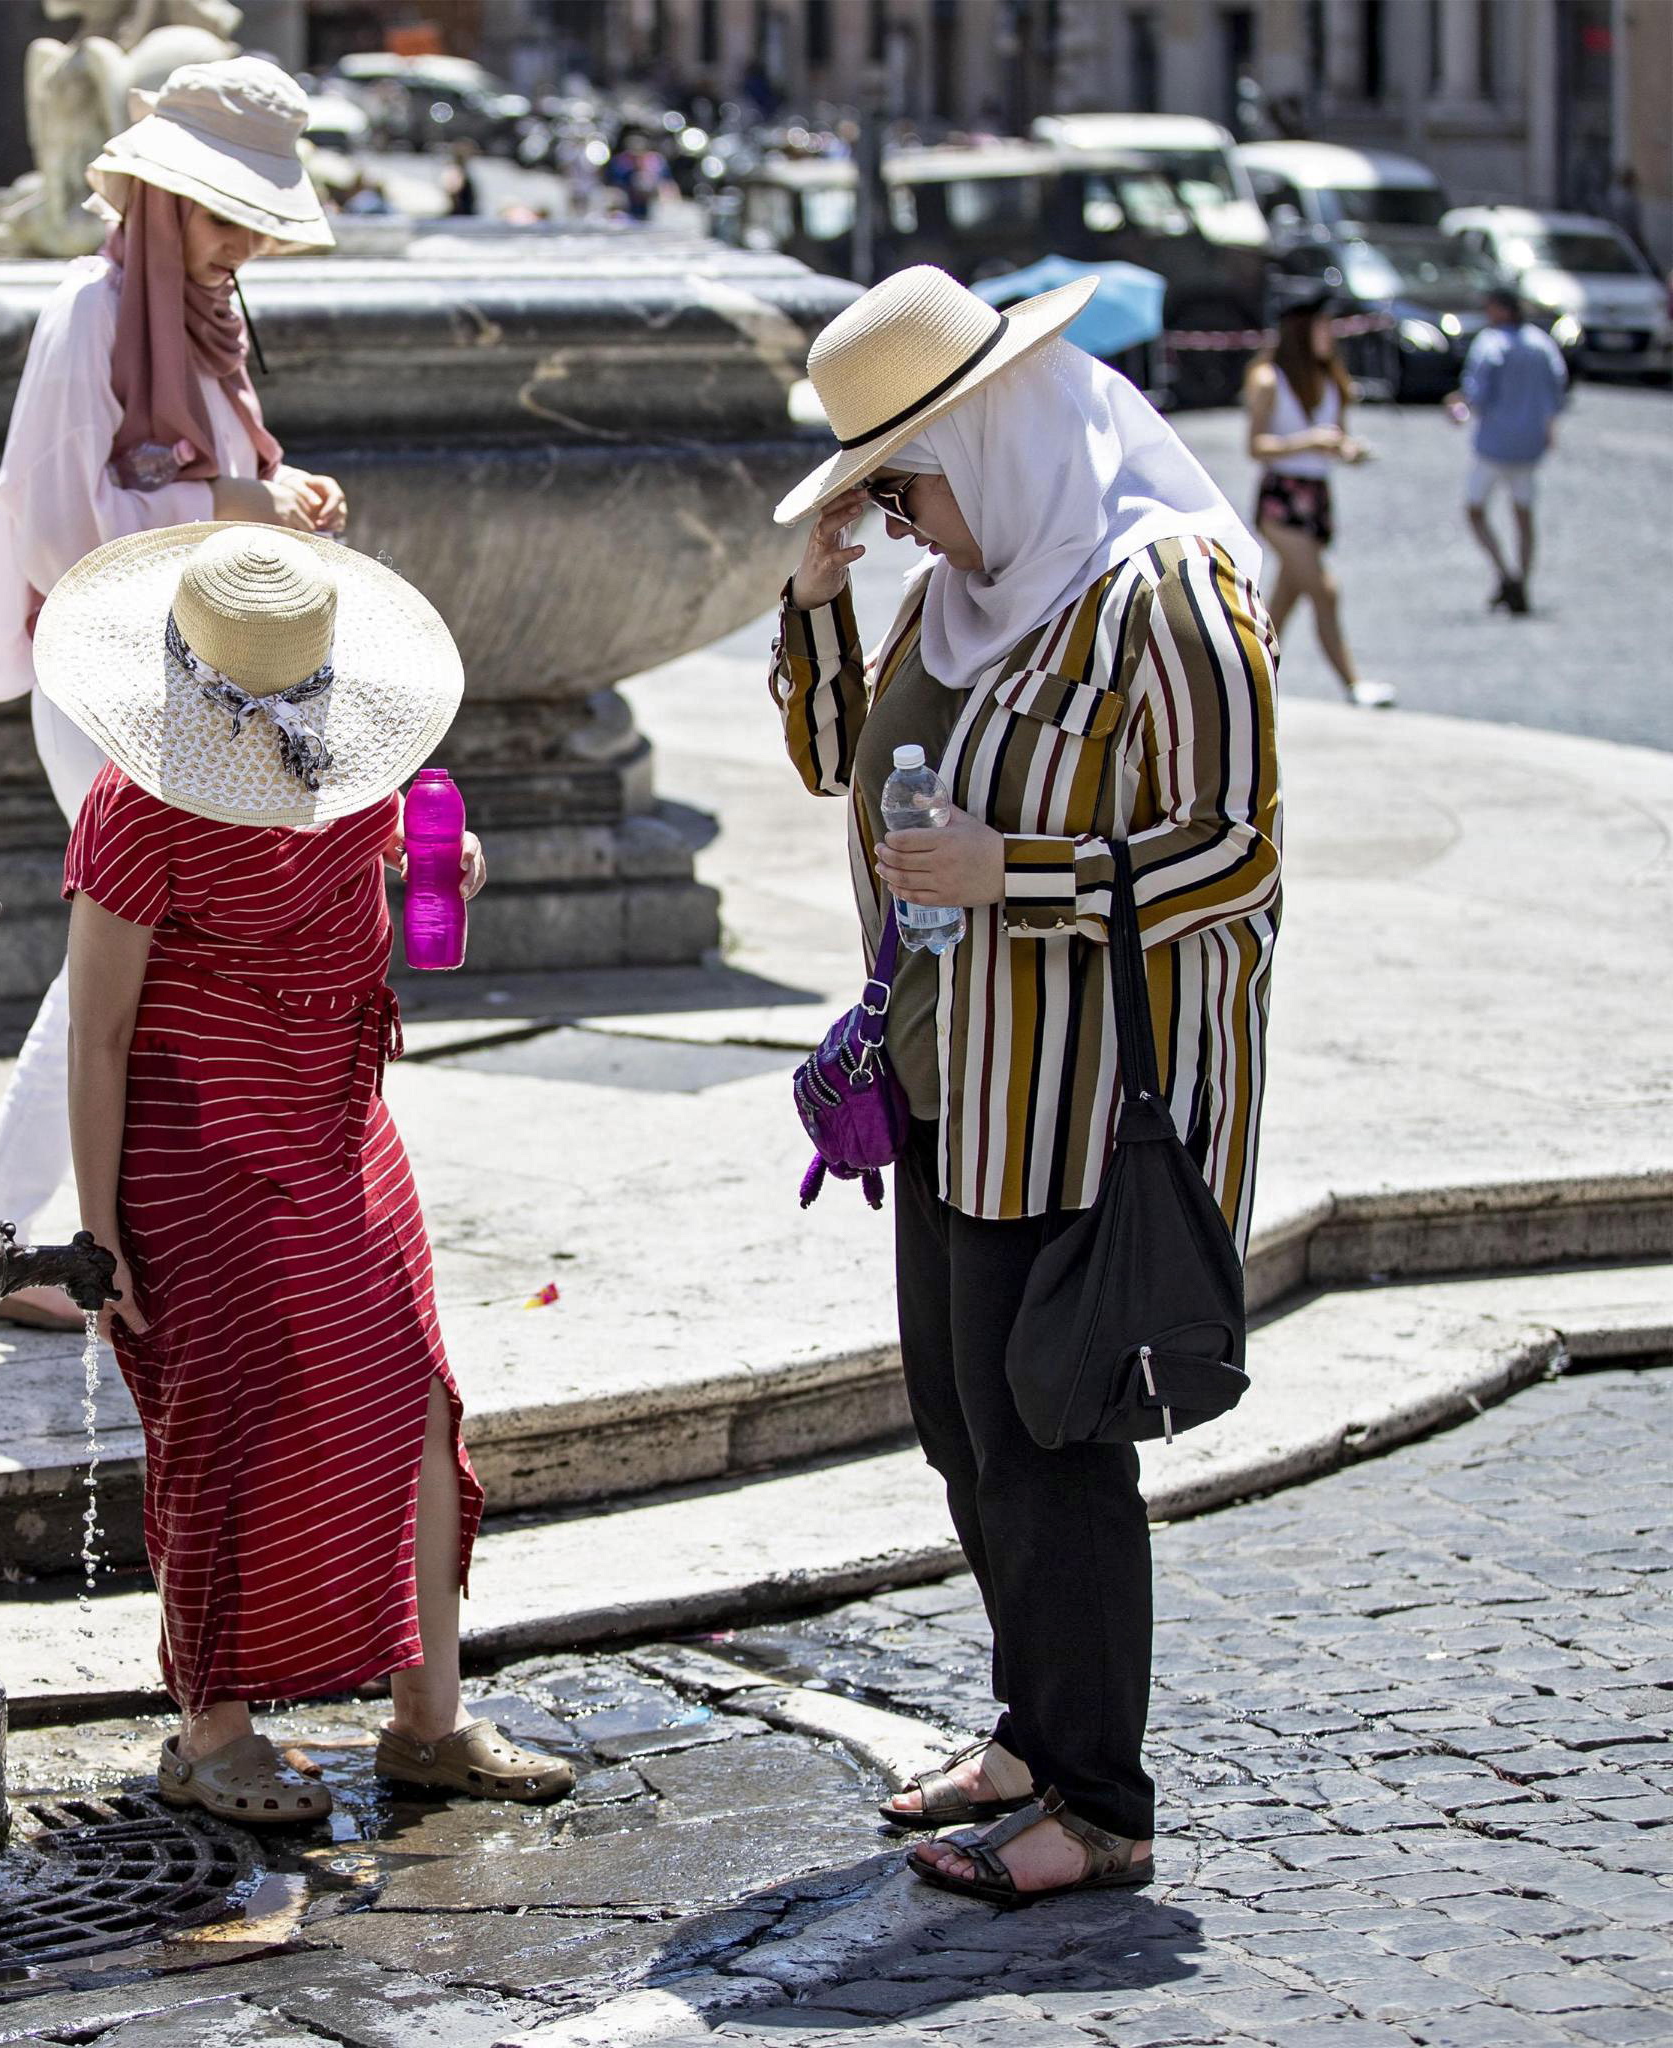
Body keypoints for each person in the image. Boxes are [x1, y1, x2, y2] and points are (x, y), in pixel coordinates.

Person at [768, 267, 1282, 1904]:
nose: (904, 519)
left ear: (988, 438)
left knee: (1050, 1442)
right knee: (958, 1418)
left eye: (907, 482)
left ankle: (1099, 1799)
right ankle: (1022, 1730)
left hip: (1081, 1100)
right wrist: (814, 598)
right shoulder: (954, 597)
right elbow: (835, 764)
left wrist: (1019, 874)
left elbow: (1235, 849)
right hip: (947, 1078)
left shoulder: (1166, 589)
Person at [40, 523, 575, 1823]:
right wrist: (97, 1242)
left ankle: (429, 1723)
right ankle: (209, 1731)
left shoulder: (352, 754)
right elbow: (98, 1037)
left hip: (336, 1122)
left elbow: (406, 845)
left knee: (414, 1399)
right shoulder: (138, 800)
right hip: (196, 1147)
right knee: (220, 1427)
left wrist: (450, 859)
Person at [0, 56, 348, 1328]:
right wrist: (236, 501)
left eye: (254, 218)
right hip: (108, 677)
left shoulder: (195, 310)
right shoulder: (93, 309)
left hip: (187, 679)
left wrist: (274, 507)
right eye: (220, 210)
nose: (240, 240)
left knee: (113, 954)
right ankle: (6, 1240)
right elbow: (60, 529)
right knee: (115, 953)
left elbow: (187, 494)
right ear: (157, 197)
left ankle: (9, 1235)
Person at [1244, 280, 1388, 706]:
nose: (1332, 333)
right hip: (1281, 497)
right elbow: (1256, 447)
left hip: (1317, 493)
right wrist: (1309, 441)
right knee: (1324, 589)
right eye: (1323, 325)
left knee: (1281, 604)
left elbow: (1335, 438)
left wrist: (1347, 450)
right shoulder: (1269, 379)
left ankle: (1252, 679)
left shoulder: (1329, 376)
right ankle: (1352, 683)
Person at [1448, 284, 1568, 616]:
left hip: (1494, 446)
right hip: (1529, 447)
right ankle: (1521, 580)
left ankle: (1505, 574)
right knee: (1524, 516)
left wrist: (1457, 404)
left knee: (1475, 510)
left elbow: (1477, 394)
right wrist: (1546, 427)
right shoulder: (1541, 345)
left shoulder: (1491, 344)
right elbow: (1557, 393)